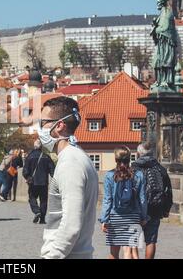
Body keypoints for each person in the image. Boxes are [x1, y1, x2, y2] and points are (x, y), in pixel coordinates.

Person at [39, 96, 99, 259]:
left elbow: (71, 223)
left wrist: (53, 256)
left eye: (43, 123)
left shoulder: (70, 163)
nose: (40, 128)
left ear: (59, 125)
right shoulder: (78, 157)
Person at [99, 146, 148, 259]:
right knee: (129, 252)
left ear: (116, 159)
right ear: (129, 159)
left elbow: (107, 200)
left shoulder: (109, 176)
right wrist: (144, 216)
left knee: (114, 253)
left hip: (115, 217)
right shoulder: (138, 175)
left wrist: (104, 219)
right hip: (133, 217)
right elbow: (142, 199)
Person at [131, 142, 173, 259]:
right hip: (155, 208)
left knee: (133, 239)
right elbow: (168, 191)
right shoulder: (160, 169)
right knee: (151, 240)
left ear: (138, 153)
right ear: (152, 153)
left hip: (136, 208)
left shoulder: (133, 169)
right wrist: (166, 209)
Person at [23, 139, 55, 225]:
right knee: (43, 200)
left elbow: (25, 171)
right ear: (41, 147)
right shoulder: (46, 156)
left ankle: (36, 211)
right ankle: (42, 219)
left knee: (32, 198)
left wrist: (27, 177)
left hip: (33, 182)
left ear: (34, 146)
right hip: (44, 182)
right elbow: (53, 170)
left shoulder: (30, 156)